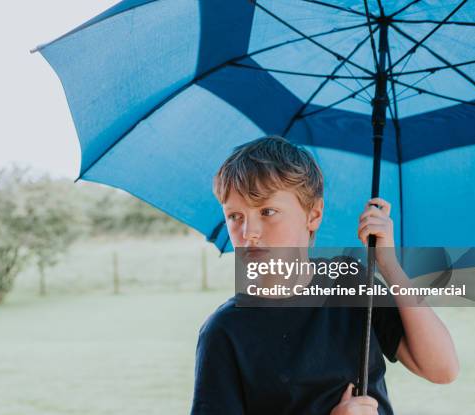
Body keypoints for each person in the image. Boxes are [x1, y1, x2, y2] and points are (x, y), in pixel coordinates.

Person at [190, 136, 459, 415]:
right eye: (235, 216)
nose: (249, 233)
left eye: (267, 211)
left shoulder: (352, 284)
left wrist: (389, 264)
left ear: (314, 214)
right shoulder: (225, 331)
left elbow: (442, 368)